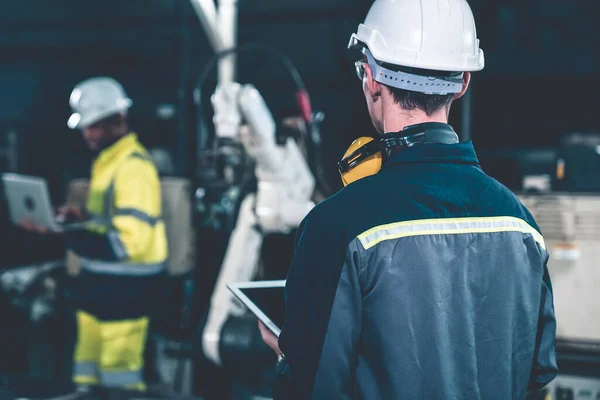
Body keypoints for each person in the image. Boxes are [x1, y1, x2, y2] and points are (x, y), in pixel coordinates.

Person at [258, 0, 558, 398]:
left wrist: (288, 351)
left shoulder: (336, 226)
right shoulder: (523, 227)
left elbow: (312, 387)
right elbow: (537, 373)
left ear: (371, 80)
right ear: (464, 81)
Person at [23, 77, 168, 390]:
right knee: (87, 370)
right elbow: (108, 221)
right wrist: (77, 219)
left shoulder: (134, 167)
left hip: (127, 290)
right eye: (86, 127)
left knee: (119, 375)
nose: (87, 134)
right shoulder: (107, 160)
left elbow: (129, 243)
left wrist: (62, 234)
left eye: (95, 126)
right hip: (99, 284)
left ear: (118, 120)